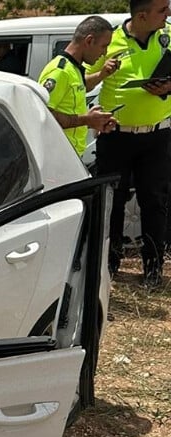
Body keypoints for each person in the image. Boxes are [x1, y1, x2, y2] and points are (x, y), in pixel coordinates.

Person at [87, 0, 171, 283]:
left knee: (154, 201)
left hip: (158, 135)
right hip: (116, 135)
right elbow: (83, 81)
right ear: (142, 15)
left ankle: (153, 269)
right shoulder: (110, 40)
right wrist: (101, 73)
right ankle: (109, 266)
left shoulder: (168, 36)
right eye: (163, 9)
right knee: (114, 200)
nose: (168, 14)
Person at [39, 16, 117, 158]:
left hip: (71, 156)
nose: (104, 53)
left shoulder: (74, 69)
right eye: (104, 46)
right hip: (59, 158)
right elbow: (44, 115)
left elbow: (69, 109)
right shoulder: (60, 71)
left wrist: (94, 121)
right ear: (89, 41)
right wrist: (87, 119)